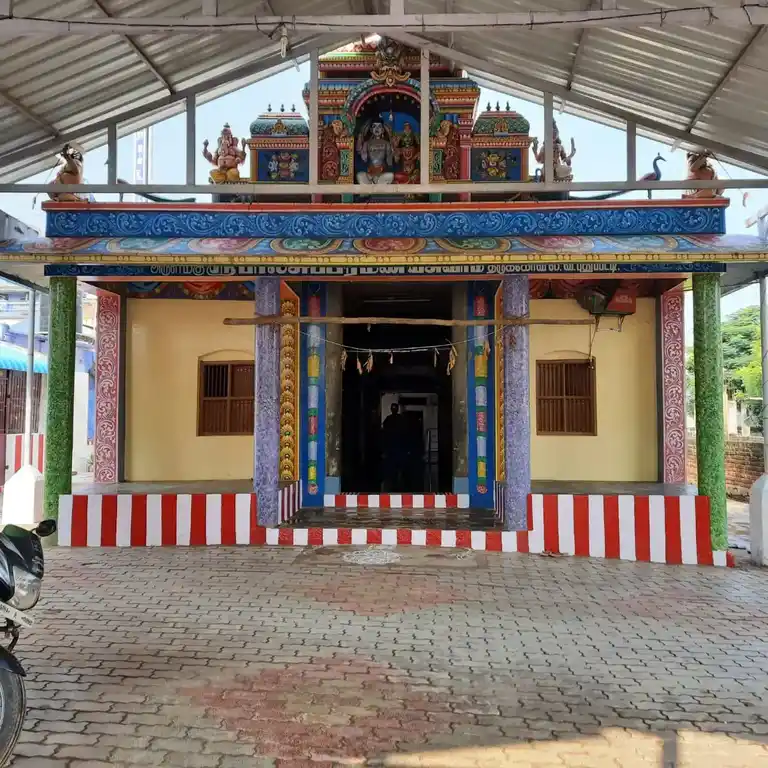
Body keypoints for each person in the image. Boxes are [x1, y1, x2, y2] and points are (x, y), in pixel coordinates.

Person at [381, 403, 406, 491]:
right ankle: (394, 481)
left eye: (395, 408)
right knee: (393, 466)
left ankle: (396, 481)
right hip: (392, 446)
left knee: (397, 465)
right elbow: (384, 434)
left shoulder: (398, 419)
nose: (394, 410)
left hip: (397, 446)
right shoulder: (390, 419)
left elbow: (405, 434)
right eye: (393, 408)